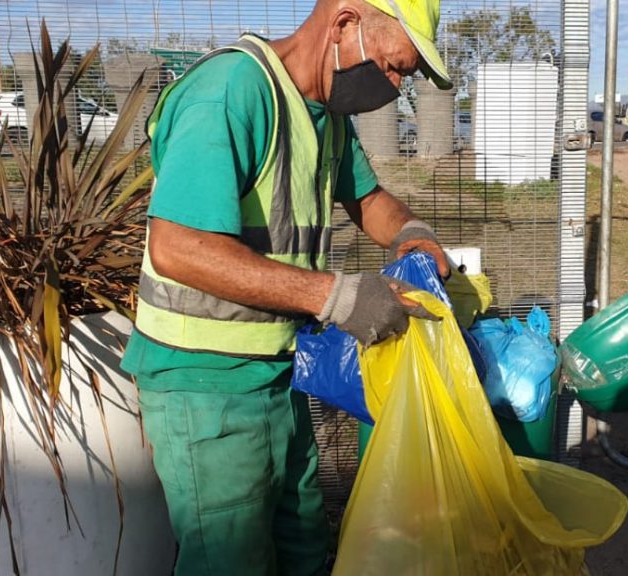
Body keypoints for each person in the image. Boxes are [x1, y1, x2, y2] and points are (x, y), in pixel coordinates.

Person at [120, 0, 452, 573]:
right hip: (207, 385)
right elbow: (176, 247)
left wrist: (413, 235)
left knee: (302, 548)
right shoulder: (231, 92)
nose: (396, 86)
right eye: (396, 66)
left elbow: (369, 201)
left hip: (278, 373)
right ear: (345, 24)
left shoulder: (325, 116)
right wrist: (339, 298)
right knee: (230, 562)